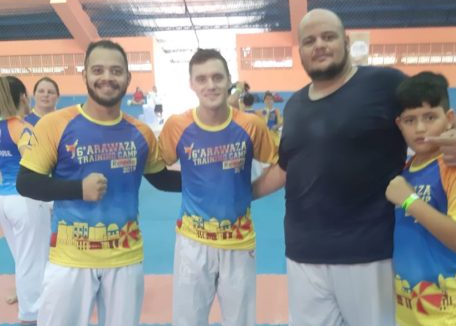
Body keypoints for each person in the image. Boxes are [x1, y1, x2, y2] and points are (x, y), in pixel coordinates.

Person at [253, 8, 456, 326]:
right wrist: (238, 193)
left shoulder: (384, 84)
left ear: (346, 42)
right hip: (303, 254)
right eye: (309, 41)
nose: (319, 45)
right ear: (301, 51)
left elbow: (436, 115)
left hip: (369, 253)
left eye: (328, 37)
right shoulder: (294, 106)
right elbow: (285, 168)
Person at [16, 40, 181, 326]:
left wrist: (214, 176)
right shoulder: (55, 124)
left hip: (125, 257)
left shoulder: (140, 132)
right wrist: (78, 189)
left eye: (116, 71)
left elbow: (162, 179)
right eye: (98, 70)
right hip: (70, 259)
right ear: (85, 75)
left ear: (127, 78)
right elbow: (27, 182)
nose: (107, 77)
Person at [158, 48, 278, 326]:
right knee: (187, 321)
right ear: (191, 84)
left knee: (240, 321)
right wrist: (196, 186)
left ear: (229, 80)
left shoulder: (251, 125)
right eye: (201, 79)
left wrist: (251, 191)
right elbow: (154, 167)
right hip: (192, 242)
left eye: (217, 77)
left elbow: (280, 165)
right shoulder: (177, 126)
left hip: (239, 241)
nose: (210, 85)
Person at [386, 71, 456, 326]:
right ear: (399, 124)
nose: (420, 128)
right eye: (410, 120)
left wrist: (409, 201)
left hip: (452, 313)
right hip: (408, 310)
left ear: (449, 118)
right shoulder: (406, 170)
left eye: (430, 117)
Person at [0, 76, 49, 325]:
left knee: (23, 259)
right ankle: (31, 316)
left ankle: (33, 311)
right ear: (22, 97)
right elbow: (34, 166)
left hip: (4, 200)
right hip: (25, 201)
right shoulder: (21, 128)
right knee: (32, 261)